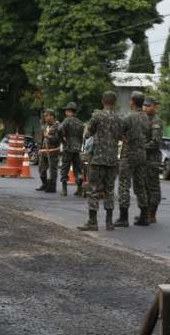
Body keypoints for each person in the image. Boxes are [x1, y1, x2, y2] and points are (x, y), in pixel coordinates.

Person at [78, 91, 121, 232]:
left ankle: (93, 222)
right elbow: (120, 136)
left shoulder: (97, 116)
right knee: (109, 190)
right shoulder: (119, 118)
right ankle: (109, 222)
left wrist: (87, 131)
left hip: (97, 159)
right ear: (114, 102)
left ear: (103, 101)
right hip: (112, 160)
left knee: (93, 190)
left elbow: (88, 134)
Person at [115, 91, 149, 228]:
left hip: (128, 154)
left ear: (133, 102)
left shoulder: (128, 117)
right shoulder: (146, 117)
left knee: (124, 185)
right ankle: (144, 216)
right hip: (142, 154)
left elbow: (118, 132)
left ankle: (123, 218)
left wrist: (123, 137)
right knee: (140, 185)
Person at [142, 96, 163, 224]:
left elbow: (155, 142)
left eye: (148, 106)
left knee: (153, 187)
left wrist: (141, 147)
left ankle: (152, 214)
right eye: (144, 105)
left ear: (155, 107)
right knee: (144, 186)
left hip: (152, 159)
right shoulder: (144, 119)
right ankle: (145, 213)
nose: (145, 108)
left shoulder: (156, 121)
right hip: (143, 158)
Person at [58, 102, 84, 197]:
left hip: (68, 148)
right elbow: (81, 137)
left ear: (68, 111)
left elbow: (59, 130)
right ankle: (79, 188)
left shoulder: (67, 120)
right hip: (77, 149)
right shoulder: (80, 122)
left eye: (66, 110)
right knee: (78, 169)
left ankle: (64, 190)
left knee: (65, 168)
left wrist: (63, 141)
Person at [37, 109, 61, 193]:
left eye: (46, 116)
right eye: (44, 116)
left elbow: (58, 139)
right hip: (44, 151)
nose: (45, 117)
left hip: (53, 151)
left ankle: (52, 187)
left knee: (52, 170)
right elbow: (42, 138)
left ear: (52, 116)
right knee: (41, 169)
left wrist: (49, 136)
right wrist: (40, 148)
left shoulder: (58, 126)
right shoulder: (45, 126)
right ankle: (44, 184)